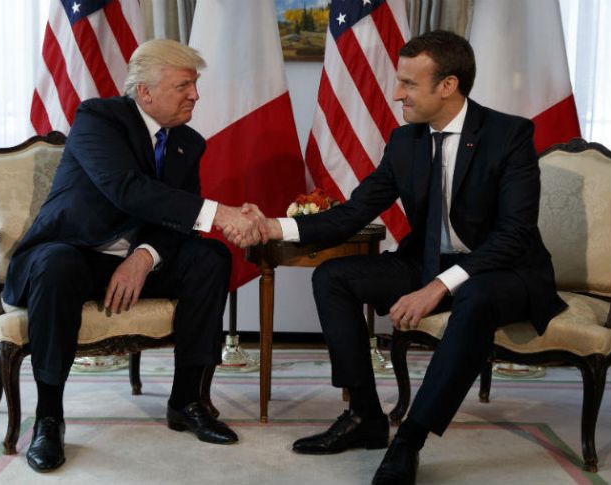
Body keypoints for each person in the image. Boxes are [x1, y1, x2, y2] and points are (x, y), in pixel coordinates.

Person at [238, 30, 568, 484]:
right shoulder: (405, 142)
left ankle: (409, 439)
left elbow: (513, 235)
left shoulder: (508, 135)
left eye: (409, 84)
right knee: (334, 277)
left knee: (475, 299)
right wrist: (276, 227)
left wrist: (437, 287)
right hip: (428, 261)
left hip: (503, 270)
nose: (397, 94)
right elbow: (355, 212)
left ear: (447, 86)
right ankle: (365, 416)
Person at [2, 39, 266, 473]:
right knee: (58, 265)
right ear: (144, 92)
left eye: (195, 85)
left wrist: (144, 257)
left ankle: (188, 401)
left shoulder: (188, 143)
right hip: (70, 249)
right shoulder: (98, 119)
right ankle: (49, 417)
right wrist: (220, 213)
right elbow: (126, 189)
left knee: (210, 259)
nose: (195, 95)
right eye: (183, 85)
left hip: (130, 259)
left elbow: (176, 220)